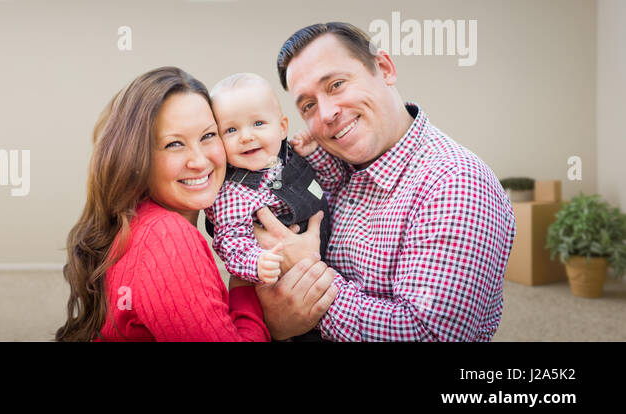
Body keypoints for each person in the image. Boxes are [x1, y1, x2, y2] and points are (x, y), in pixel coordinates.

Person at [256, 22, 516, 341]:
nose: (325, 114)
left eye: (336, 84)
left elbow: (428, 335)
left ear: (385, 68)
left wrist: (307, 278)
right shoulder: (333, 167)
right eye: (308, 105)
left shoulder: (456, 182)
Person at [55, 66, 338, 342]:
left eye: (207, 136)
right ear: (137, 157)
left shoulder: (142, 224)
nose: (200, 161)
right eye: (174, 144)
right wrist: (268, 318)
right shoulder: (166, 236)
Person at [203, 72, 335, 342]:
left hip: (328, 269)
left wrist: (315, 153)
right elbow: (230, 242)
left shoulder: (290, 157)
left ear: (282, 127)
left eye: (258, 123)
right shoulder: (234, 192)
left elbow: (330, 184)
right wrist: (256, 262)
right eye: (231, 130)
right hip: (281, 288)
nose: (246, 136)